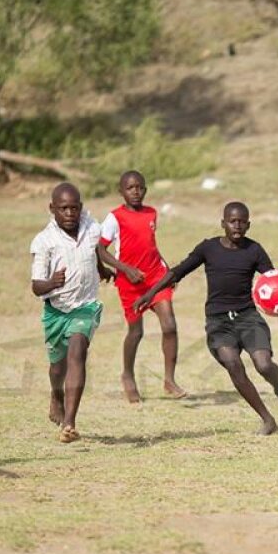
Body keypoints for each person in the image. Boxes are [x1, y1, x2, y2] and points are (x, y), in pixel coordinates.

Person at [134, 202, 278, 435]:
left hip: (248, 318)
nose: (237, 226)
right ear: (223, 223)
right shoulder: (208, 248)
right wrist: (150, 293)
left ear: (248, 224)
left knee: (264, 364)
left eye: (242, 222)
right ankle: (267, 419)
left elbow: (272, 284)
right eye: (232, 221)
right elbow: (177, 271)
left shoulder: (254, 250)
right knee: (233, 364)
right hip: (218, 322)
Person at [96, 170, 186, 404]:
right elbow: (101, 250)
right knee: (136, 332)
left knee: (169, 325)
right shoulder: (115, 218)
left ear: (145, 190)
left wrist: (168, 272)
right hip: (130, 283)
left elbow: (150, 246)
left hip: (156, 277)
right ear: (121, 192)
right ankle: (127, 374)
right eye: (130, 188)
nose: (135, 191)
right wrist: (124, 269)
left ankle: (169, 380)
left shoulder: (152, 213)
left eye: (139, 187)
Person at [30, 183, 109, 443]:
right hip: (56, 311)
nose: (69, 213)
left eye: (74, 208)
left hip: (85, 306)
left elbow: (95, 249)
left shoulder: (91, 226)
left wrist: (102, 268)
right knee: (57, 367)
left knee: (78, 352)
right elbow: (35, 286)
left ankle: (70, 423)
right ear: (52, 209)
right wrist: (52, 283)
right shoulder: (44, 241)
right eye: (63, 208)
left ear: (81, 208)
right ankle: (56, 394)